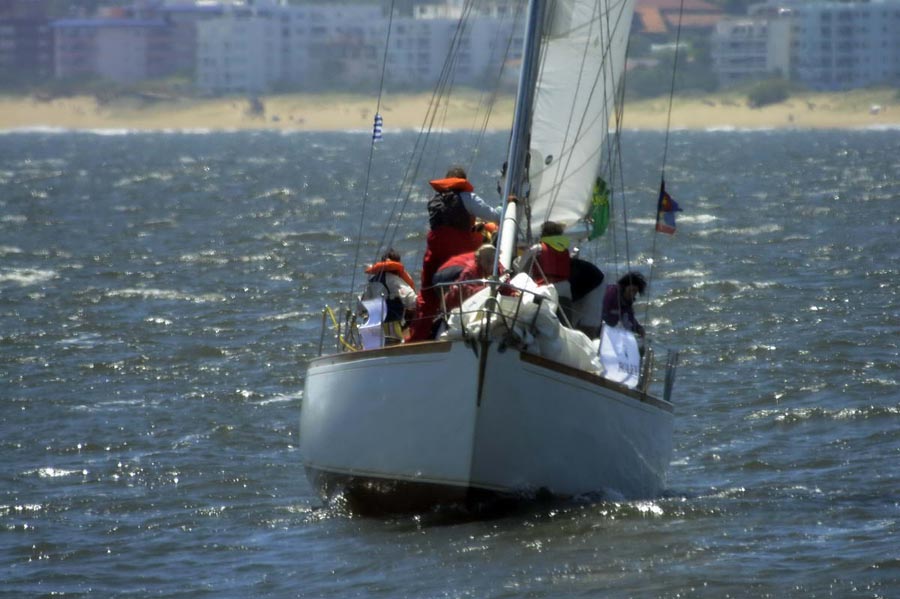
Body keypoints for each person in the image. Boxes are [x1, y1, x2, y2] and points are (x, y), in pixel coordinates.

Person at [408, 166, 509, 341]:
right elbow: (494, 216)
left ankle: (417, 339)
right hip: (459, 248)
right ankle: (468, 326)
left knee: (427, 294)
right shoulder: (467, 197)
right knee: (471, 282)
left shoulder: (435, 200)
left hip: (435, 248)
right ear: (463, 181)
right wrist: (506, 205)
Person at [516, 221, 573, 323]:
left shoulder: (537, 248)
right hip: (565, 290)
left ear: (544, 233)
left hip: (545, 291)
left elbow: (519, 267)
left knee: (540, 324)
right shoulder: (566, 250)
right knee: (564, 325)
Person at [362, 249, 417, 339]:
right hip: (391, 327)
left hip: (372, 329)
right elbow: (412, 300)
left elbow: (361, 308)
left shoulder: (371, 282)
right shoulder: (395, 281)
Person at [601, 271, 647, 337]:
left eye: (635, 292)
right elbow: (600, 312)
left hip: (607, 328)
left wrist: (638, 328)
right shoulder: (610, 294)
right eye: (631, 290)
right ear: (624, 287)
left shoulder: (626, 302)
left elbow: (628, 319)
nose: (632, 294)